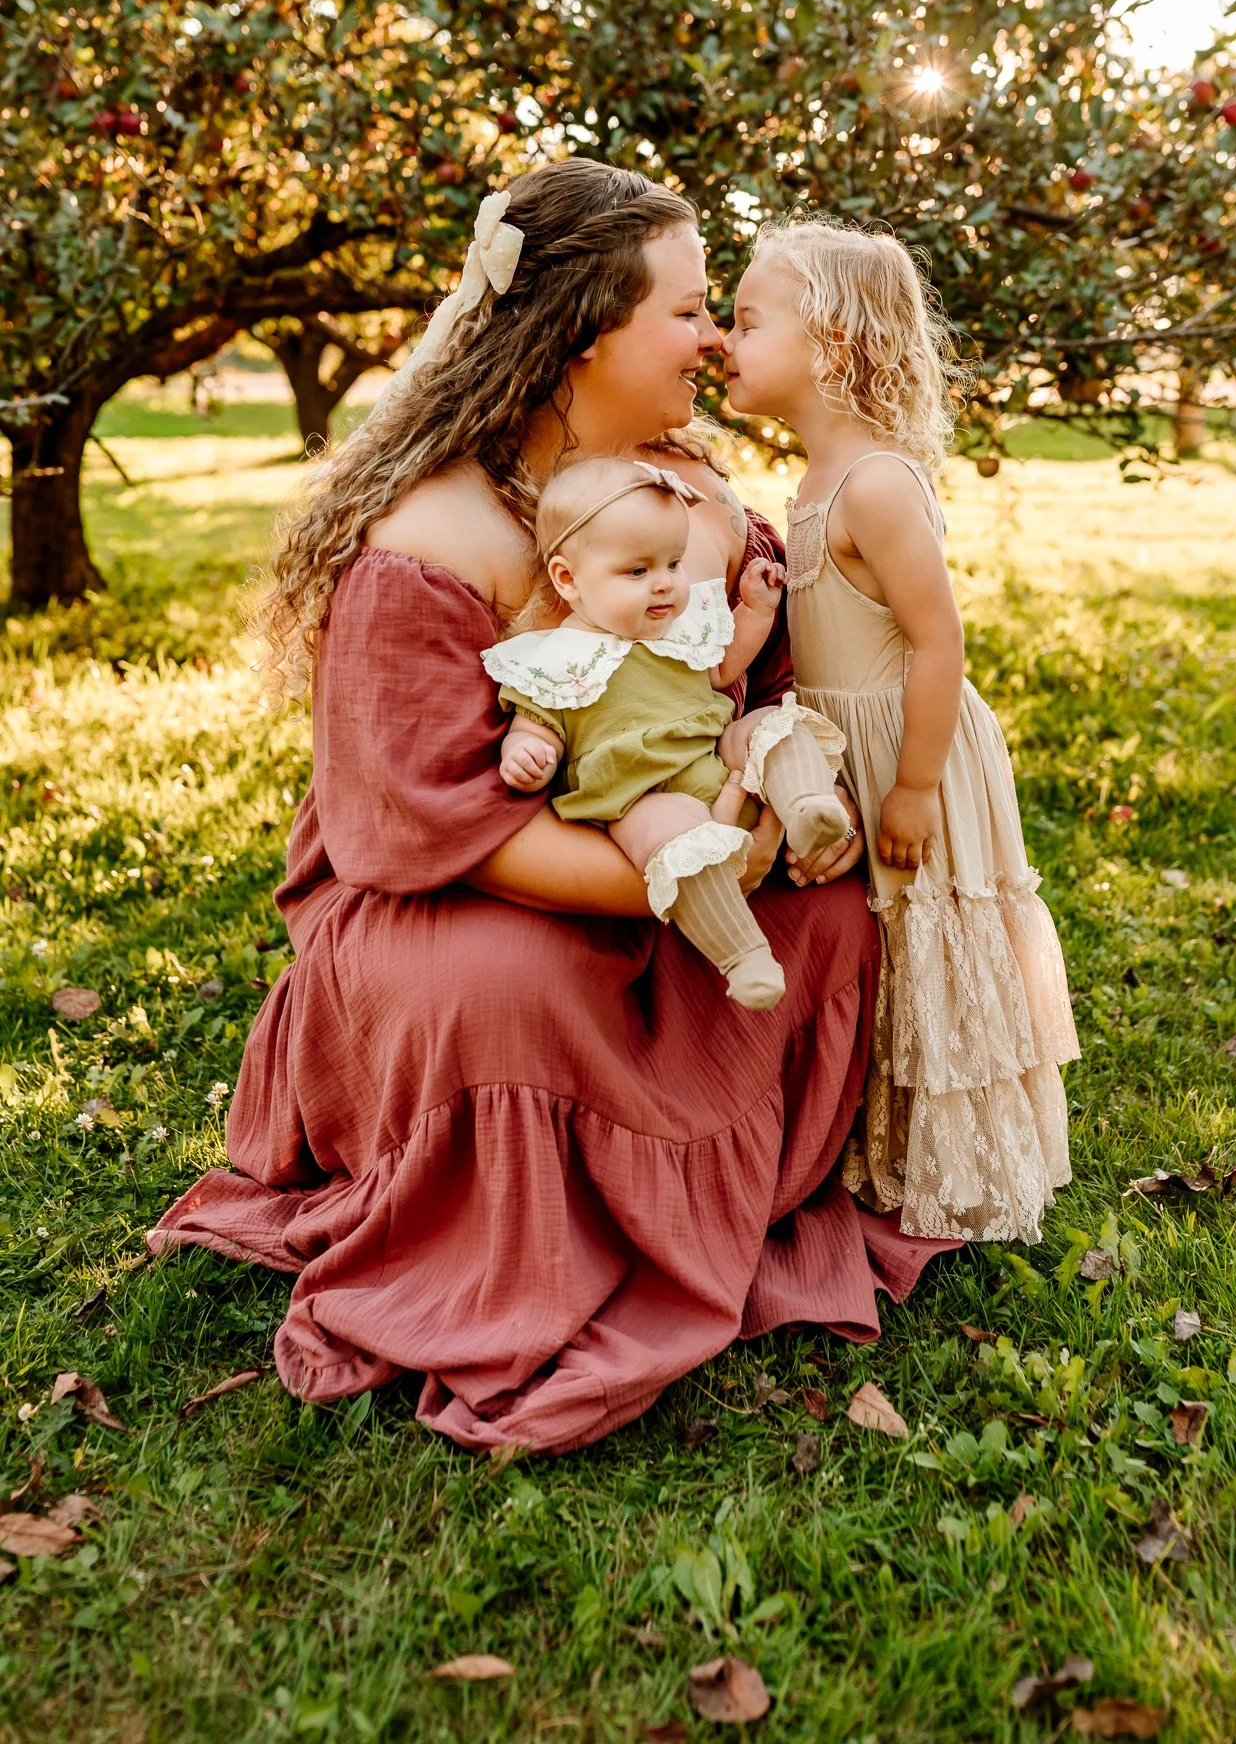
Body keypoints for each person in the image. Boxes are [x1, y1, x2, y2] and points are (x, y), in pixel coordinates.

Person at [148, 161, 958, 1453]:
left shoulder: (681, 490)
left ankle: (697, 1190)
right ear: (588, 329)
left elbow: (767, 669)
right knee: (510, 992)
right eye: (689, 311)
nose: (713, 340)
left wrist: (769, 810)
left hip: (685, 844)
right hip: (455, 892)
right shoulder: (429, 537)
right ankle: (531, 1231)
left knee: (836, 922)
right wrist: (682, 873)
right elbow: (418, 826)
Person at [722, 217, 1076, 1244]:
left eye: (747, 322)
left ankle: (969, 1161)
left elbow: (937, 643)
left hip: (913, 753)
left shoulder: (874, 485)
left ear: (828, 344)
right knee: (889, 946)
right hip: (854, 751)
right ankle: (892, 1141)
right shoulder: (809, 486)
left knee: (935, 933)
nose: (723, 344)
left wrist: (915, 784)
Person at [485, 453, 847, 1010]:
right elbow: (538, 727)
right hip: (642, 794)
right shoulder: (553, 660)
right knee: (674, 842)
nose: (665, 585)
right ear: (568, 578)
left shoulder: (678, 629)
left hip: (712, 753)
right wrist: (527, 752)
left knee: (767, 725)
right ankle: (744, 955)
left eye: (673, 564)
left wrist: (755, 609)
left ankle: (808, 807)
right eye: (638, 571)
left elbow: (724, 670)